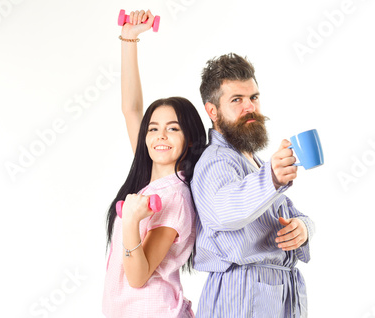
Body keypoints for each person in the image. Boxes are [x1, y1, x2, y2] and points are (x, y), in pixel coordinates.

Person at [191, 53, 315, 317]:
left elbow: (291, 213)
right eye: (237, 100)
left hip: (278, 291)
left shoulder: (253, 160)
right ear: (212, 111)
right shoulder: (216, 160)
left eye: (254, 98)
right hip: (241, 294)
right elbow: (225, 210)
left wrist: (303, 228)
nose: (250, 107)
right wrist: (271, 175)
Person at [102, 10, 206, 318]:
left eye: (173, 128)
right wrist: (130, 36)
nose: (161, 135)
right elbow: (131, 108)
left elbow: (138, 276)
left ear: (189, 138)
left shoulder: (173, 196)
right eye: (153, 128)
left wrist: (132, 221)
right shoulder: (150, 176)